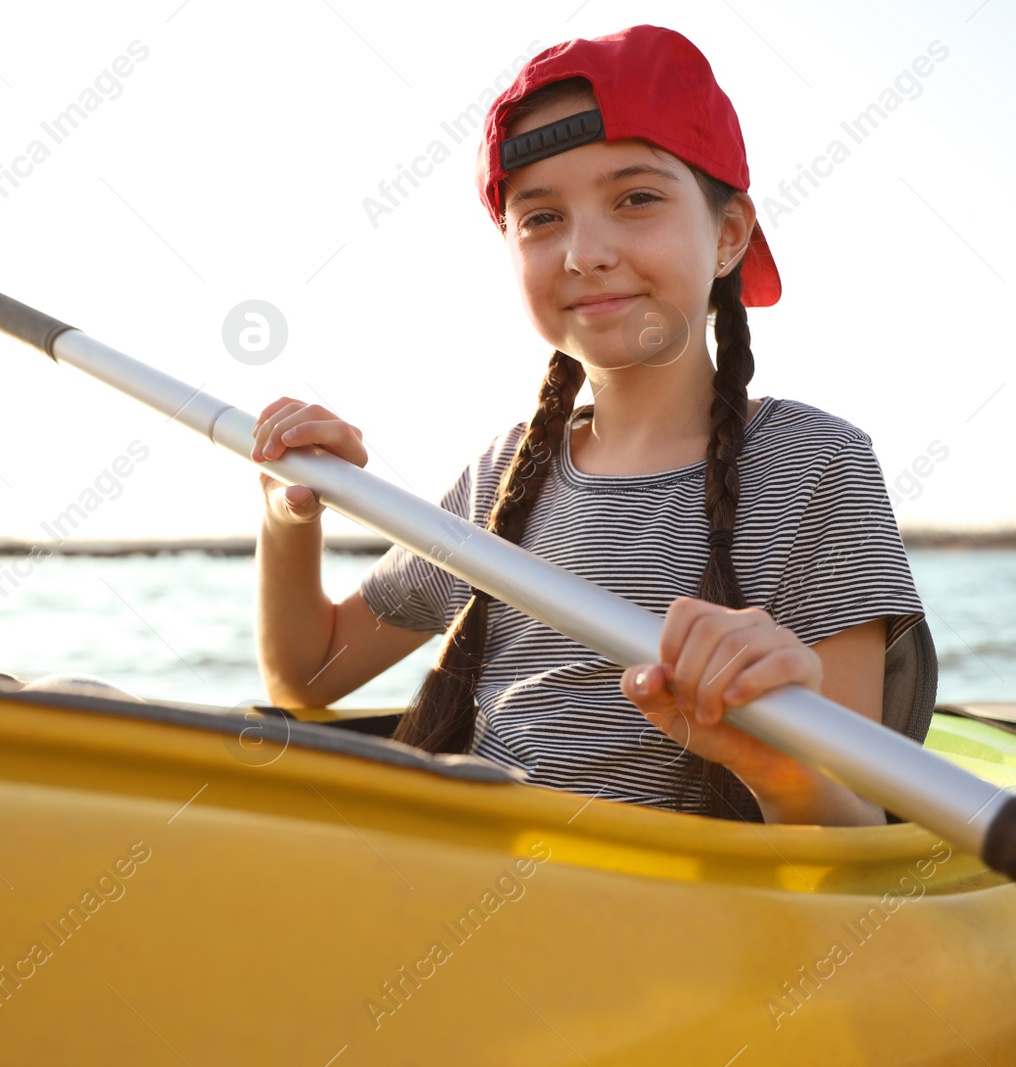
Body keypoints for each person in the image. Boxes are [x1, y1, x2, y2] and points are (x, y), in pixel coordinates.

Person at [252, 25, 924, 826]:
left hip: (675, 918)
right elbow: (309, 673)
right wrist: (288, 512)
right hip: (474, 891)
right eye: (540, 218)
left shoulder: (815, 465)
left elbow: (853, 835)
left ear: (730, 236)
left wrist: (767, 757)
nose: (586, 251)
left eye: (636, 199)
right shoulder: (503, 477)